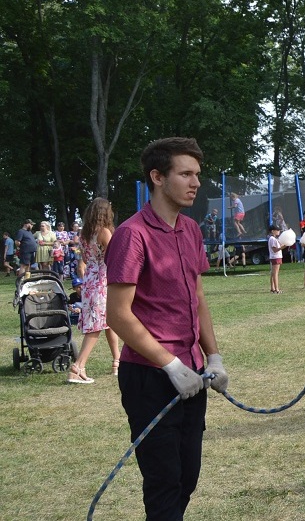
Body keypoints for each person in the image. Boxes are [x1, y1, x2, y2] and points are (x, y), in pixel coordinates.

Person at [106, 137, 228, 518]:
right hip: (149, 377)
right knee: (163, 483)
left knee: (187, 477)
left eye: (197, 174)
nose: (195, 183)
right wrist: (169, 365)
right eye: (185, 174)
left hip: (193, 374)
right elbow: (118, 315)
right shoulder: (132, 234)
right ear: (157, 177)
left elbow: (198, 298)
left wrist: (214, 356)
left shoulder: (191, 230)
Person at [71, 197, 123, 383]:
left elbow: (84, 258)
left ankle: (117, 360)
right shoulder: (105, 232)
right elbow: (114, 256)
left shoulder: (84, 234)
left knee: (108, 319)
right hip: (103, 280)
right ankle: (78, 366)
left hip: (90, 280)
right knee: (97, 324)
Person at [267, 225, 283, 294]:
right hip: (275, 257)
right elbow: (275, 250)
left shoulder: (273, 239)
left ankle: (272, 288)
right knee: (275, 273)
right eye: (277, 230)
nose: (279, 231)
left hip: (275, 257)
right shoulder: (272, 239)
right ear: (273, 231)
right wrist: (282, 247)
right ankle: (276, 289)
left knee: (273, 273)